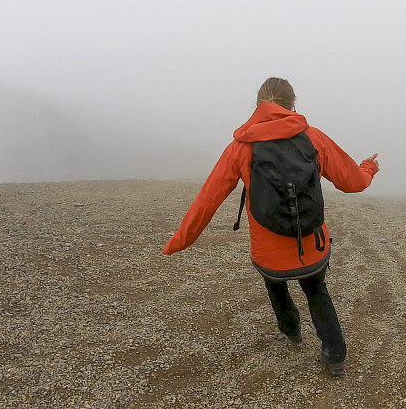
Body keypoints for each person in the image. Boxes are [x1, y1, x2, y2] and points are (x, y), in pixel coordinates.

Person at [162, 77, 380, 376]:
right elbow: (353, 182)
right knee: (316, 291)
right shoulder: (314, 139)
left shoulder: (240, 148)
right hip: (312, 247)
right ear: (293, 105)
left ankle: (291, 332)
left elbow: (207, 200)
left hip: (268, 253)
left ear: (257, 107)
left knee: (275, 285)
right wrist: (368, 168)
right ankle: (335, 355)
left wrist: (179, 240)